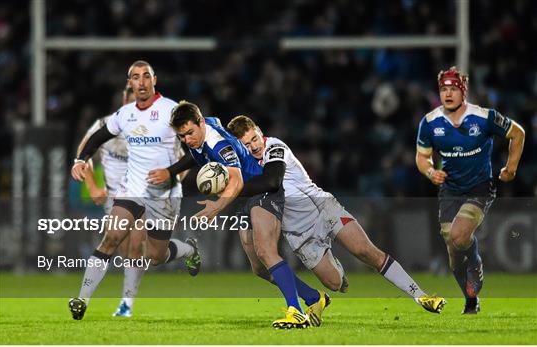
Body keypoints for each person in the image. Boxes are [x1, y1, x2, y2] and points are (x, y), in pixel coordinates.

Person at [227, 115, 446, 323]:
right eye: (247, 144)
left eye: (254, 138)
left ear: (260, 132)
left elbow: (273, 180)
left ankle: (421, 295)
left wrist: (234, 190)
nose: (254, 146)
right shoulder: (242, 168)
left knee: (366, 251)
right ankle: (333, 270)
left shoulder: (274, 147)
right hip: (299, 234)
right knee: (335, 283)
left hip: (322, 209)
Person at [148, 101, 318, 329]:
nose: (187, 140)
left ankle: (296, 312)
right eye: (182, 136)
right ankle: (314, 298)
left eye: (189, 133)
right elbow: (193, 152)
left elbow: (236, 181)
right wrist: (170, 172)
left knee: (267, 252)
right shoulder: (201, 130)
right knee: (259, 268)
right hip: (244, 198)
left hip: (262, 191)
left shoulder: (219, 145)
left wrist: (216, 208)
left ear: (199, 123)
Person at [68, 61, 200, 320]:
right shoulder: (125, 114)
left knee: (154, 256)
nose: (141, 82)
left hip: (163, 194)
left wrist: (171, 172)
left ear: (154, 79)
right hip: (132, 189)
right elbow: (97, 138)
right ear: (129, 83)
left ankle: (189, 250)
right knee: (111, 238)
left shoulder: (171, 110)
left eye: (146, 76)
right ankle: (81, 299)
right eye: (135, 77)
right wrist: (80, 160)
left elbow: (197, 148)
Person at [415, 66, 525, 314]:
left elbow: (517, 134)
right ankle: (471, 299)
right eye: (444, 89)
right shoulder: (430, 123)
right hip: (450, 190)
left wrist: (510, 168)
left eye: (453, 88)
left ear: (463, 91)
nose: (448, 94)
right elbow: (422, 158)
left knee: (460, 236)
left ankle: (475, 260)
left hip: (480, 187)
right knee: (453, 251)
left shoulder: (484, 117)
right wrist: (431, 171)